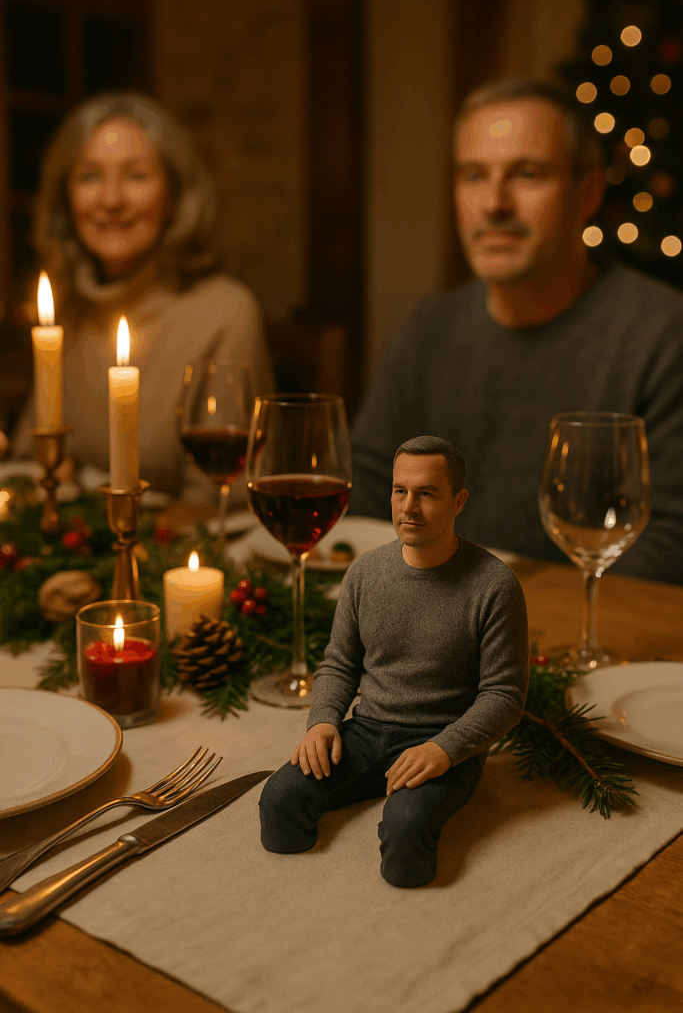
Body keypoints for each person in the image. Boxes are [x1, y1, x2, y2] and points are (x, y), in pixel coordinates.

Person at [349, 78, 683, 584]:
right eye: (474, 175)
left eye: (527, 174)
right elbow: (369, 488)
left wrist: (495, 610)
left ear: (588, 193)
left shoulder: (662, 334)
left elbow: (671, 542)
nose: (494, 203)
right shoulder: (430, 328)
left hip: (582, 625)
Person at [259, 437, 529, 888]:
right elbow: (340, 663)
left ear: (458, 501)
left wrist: (445, 749)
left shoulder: (494, 586)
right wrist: (322, 722)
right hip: (367, 731)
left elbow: (505, 696)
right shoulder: (365, 572)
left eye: (426, 493)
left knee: (406, 841)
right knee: (279, 805)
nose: (409, 507)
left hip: (442, 739)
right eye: (400, 491)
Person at [9, 92, 273, 503]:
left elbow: (219, 504)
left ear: (174, 197)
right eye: (89, 176)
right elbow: (30, 457)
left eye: (136, 176)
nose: (111, 200)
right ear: (65, 197)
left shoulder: (226, 313)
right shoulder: (68, 308)